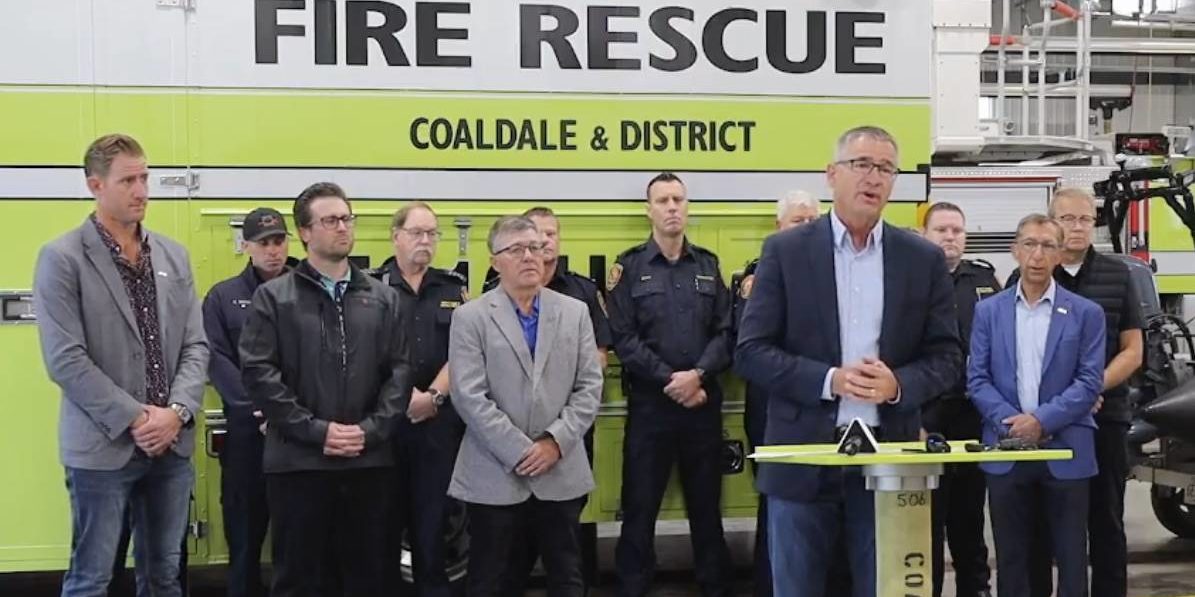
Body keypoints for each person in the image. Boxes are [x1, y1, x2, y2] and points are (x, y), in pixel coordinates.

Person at [734, 126, 961, 597]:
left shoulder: (921, 258)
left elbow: (946, 357)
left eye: (885, 168)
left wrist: (897, 385)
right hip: (802, 462)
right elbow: (751, 351)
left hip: (889, 464)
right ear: (832, 174)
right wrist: (829, 380)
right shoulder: (786, 251)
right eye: (861, 165)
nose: (873, 178)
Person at [33, 133, 209, 597]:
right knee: (91, 579)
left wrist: (177, 413)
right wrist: (137, 417)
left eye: (145, 177)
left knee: (164, 577)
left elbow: (196, 344)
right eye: (128, 180)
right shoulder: (62, 258)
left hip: (171, 448)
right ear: (95, 185)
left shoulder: (173, 255)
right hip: (102, 448)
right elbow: (65, 359)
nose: (141, 190)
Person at [239, 182, 412, 597]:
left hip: (369, 466)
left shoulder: (383, 299)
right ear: (305, 232)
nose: (342, 228)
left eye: (346, 218)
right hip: (300, 467)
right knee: (300, 581)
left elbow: (401, 372)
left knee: (368, 579)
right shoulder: (273, 299)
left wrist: (369, 432)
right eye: (330, 220)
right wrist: (317, 432)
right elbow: (260, 374)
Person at [447, 215, 603, 597]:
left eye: (535, 247)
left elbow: (589, 386)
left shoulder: (574, 312)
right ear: (495, 260)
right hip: (495, 476)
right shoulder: (470, 318)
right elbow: (468, 395)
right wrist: (520, 451)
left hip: (560, 471)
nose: (530, 256)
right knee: (491, 580)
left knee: (567, 579)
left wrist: (553, 442)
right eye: (517, 249)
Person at [968, 213, 1105, 597]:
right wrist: (1012, 423)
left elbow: (1089, 381)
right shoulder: (988, 312)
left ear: (1060, 254)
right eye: (1029, 244)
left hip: (1067, 451)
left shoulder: (1085, 313)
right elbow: (977, 379)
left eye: (1048, 246)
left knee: (1072, 557)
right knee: (1012, 560)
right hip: (1007, 449)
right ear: (1015, 250)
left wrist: (1041, 421)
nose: (1037, 255)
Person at [610, 172, 734, 597]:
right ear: (649, 210)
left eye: (678, 199)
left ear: (687, 206)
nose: (671, 207)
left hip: (701, 406)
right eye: (662, 200)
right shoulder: (628, 268)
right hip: (651, 410)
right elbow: (624, 339)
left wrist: (698, 376)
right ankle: (632, 588)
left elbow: (727, 331)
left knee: (706, 511)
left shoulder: (708, 265)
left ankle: (715, 587)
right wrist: (672, 381)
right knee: (639, 511)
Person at [1017, 188, 1144, 597]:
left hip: (1103, 417)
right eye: (1067, 219)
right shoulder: (1031, 274)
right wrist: (1064, 403)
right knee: (1038, 525)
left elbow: (1133, 350)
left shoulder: (1119, 275)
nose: (1076, 227)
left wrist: (1092, 388)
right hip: (1041, 423)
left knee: (1105, 521)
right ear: (1051, 221)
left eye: (1085, 219)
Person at [371, 201, 468, 597]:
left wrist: (433, 397)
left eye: (432, 233)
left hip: (437, 424)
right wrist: (402, 398)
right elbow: (363, 354)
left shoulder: (451, 289)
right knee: (382, 525)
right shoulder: (372, 288)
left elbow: (464, 350)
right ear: (396, 236)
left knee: (433, 524)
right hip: (387, 427)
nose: (426, 241)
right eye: (417, 232)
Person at [731, 189, 821, 597]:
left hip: (821, 403)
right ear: (778, 227)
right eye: (796, 221)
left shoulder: (834, 272)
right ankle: (769, 586)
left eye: (811, 221)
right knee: (776, 498)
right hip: (771, 404)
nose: (805, 228)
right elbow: (748, 345)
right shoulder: (757, 276)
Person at [202, 207, 295, 597]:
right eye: (263, 243)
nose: (273, 251)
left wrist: (288, 412)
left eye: (279, 242)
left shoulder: (310, 290)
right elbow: (214, 357)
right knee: (244, 538)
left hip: (298, 436)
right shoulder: (223, 297)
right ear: (246, 246)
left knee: (297, 541)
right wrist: (258, 407)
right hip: (247, 436)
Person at [919, 202, 998, 597]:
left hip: (972, 413)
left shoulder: (983, 280)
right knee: (927, 520)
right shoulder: (910, 280)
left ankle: (976, 590)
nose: (951, 237)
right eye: (942, 230)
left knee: (969, 517)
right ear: (925, 235)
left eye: (957, 230)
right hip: (928, 415)